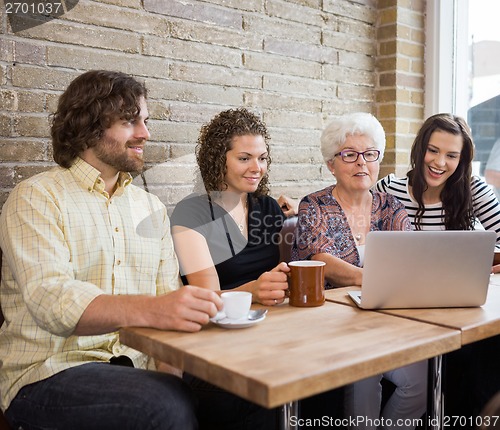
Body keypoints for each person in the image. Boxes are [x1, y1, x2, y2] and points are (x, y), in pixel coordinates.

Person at [0, 70, 223, 430]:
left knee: (235, 396)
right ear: (89, 125)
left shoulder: (150, 208)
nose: (146, 134)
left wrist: (173, 377)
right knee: (162, 406)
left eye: (145, 121)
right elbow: (52, 302)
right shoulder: (36, 197)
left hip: (137, 367)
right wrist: (155, 312)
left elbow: (171, 312)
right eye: (130, 121)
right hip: (48, 373)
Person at [292, 112, 427, 429]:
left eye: (369, 154)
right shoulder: (314, 205)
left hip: (387, 318)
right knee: (366, 374)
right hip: (337, 322)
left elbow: (407, 259)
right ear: (331, 164)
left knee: (420, 379)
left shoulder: (391, 206)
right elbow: (319, 258)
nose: (361, 163)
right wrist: (376, 279)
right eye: (349, 155)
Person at [375, 113, 500, 427]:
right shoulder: (390, 188)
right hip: (400, 310)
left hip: (462, 311)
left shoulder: (474, 190)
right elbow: (348, 208)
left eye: (452, 155)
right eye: (433, 150)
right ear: (420, 150)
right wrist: (299, 205)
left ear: (463, 158)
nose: (440, 162)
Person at [170, 107, 291, 430]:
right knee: (265, 399)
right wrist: (253, 289)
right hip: (214, 349)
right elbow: (206, 298)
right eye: (245, 158)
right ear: (218, 159)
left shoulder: (266, 208)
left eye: (263, 158)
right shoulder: (191, 214)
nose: (257, 168)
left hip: (267, 339)